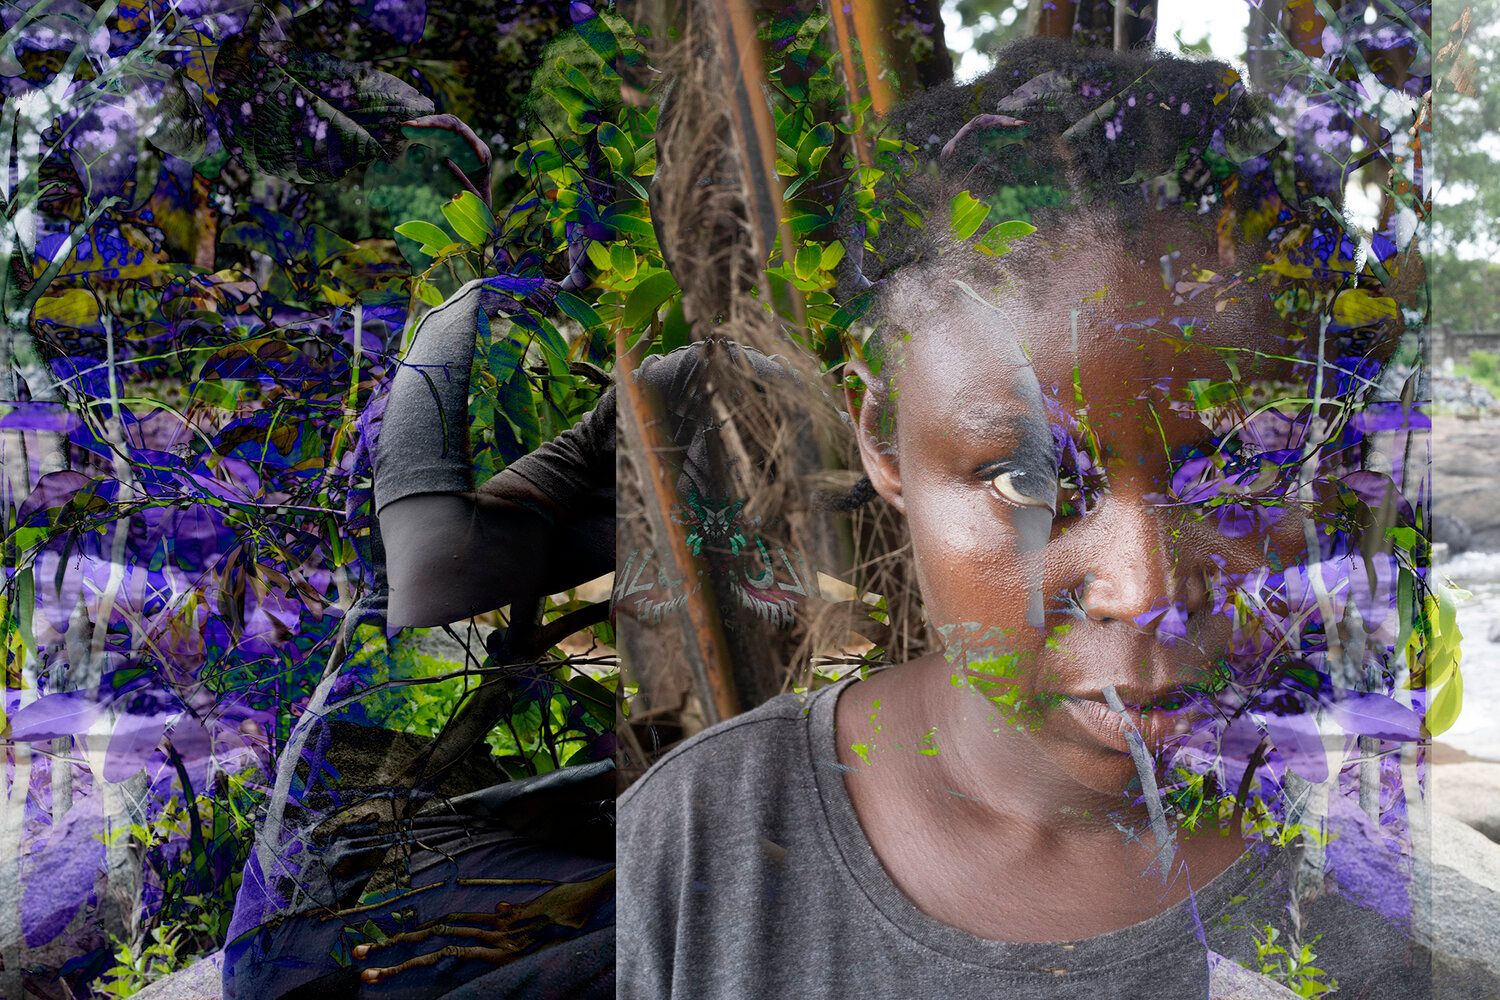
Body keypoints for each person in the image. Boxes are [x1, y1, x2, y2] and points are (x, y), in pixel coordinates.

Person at [617, 38, 1444, 998]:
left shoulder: (1416, 896)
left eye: (1239, 466)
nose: (1144, 590)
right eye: (1021, 477)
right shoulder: (693, 852)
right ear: (884, 439)